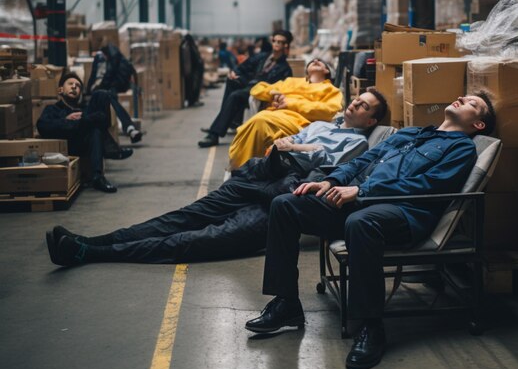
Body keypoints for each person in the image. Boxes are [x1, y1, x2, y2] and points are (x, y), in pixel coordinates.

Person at [245, 92, 496, 369]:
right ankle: (286, 304)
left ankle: (371, 326)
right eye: (464, 96)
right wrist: (330, 181)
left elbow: (429, 186)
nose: (462, 98)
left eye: (474, 103)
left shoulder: (462, 149)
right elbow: (364, 160)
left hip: (405, 213)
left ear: (479, 125)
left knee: (361, 222)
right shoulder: (410, 133)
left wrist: (362, 191)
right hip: (361, 203)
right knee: (285, 205)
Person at [45, 89, 388, 266]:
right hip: (260, 176)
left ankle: (88, 255)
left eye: (364, 106)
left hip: (280, 197)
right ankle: (92, 240)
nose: (355, 105)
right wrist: (294, 145)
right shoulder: (322, 124)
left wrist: (293, 146)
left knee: (198, 239)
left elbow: (317, 160)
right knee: (184, 217)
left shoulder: (356, 143)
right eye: (356, 99)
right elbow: (288, 144)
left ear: (371, 121)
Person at [228, 58, 343, 169]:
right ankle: (249, 168)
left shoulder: (331, 90)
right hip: (275, 115)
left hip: (299, 123)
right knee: (258, 121)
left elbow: (329, 110)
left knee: (259, 122)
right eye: (312, 61)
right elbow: (257, 89)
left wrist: (291, 103)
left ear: (327, 71)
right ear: (307, 70)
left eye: (321, 62)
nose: (315, 61)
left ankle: (241, 167)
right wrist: (272, 93)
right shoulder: (291, 81)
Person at [37, 72, 134, 193]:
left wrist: (84, 119)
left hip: (84, 145)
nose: (74, 87)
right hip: (68, 147)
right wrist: (67, 120)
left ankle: (98, 177)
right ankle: (112, 149)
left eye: (77, 85)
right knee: (93, 124)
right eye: (70, 84)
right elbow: (42, 126)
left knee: (102, 94)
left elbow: (102, 119)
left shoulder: (83, 110)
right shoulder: (53, 109)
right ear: (60, 90)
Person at [199, 30, 293, 148]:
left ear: (286, 45)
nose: (276, 44)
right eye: (274, 41)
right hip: (250, 84)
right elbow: (244, 66)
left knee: (235, 96)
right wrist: (234, 73)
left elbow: (281, 88)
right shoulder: (263, 57)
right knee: (231, 81)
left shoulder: (285, 69)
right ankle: (232, 122)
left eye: (280, 42)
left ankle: (214, 134)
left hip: (261, 92)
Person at [86, 44, 143, 144]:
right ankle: (129, 127)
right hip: (100, 91)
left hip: (104, 90)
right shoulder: (111, 57)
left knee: (110, 97)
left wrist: (90, 89)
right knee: (110, 97)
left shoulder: (109, 58)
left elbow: (97, 76)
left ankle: (129, 128)